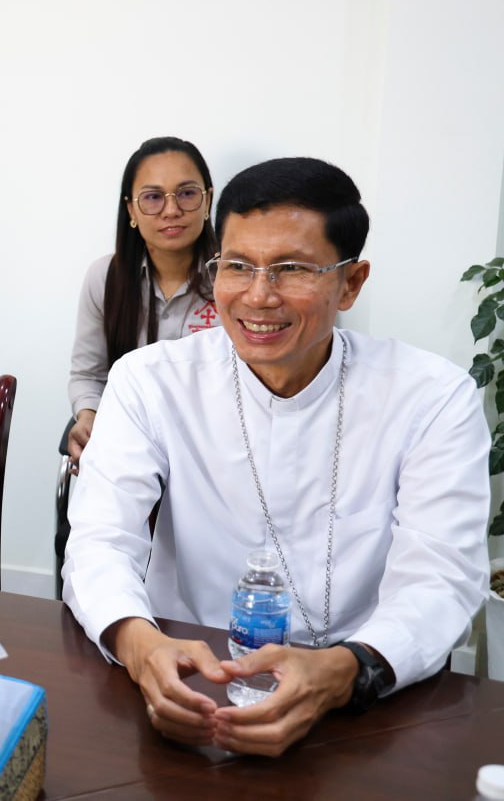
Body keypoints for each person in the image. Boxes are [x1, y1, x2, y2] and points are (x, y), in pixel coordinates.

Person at [62, 156, 489, 757]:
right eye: (237, 266)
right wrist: (141, 646)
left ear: (351, 283)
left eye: (292, 269)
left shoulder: (432, 396)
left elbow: (442, 577)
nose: (259, 296)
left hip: (364, 701)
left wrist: (346, 670)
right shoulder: (151, 381)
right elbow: (100, 542)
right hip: (193, 678)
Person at [66, 136, 219, 467]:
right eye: (153, 197)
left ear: (208, 200)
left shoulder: (236, 277)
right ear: (131, 210)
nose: (171, 210)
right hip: (132, 446)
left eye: (187, 193)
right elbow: (89, 375)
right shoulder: (105, 278)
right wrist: (88, 415)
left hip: (218, 449)